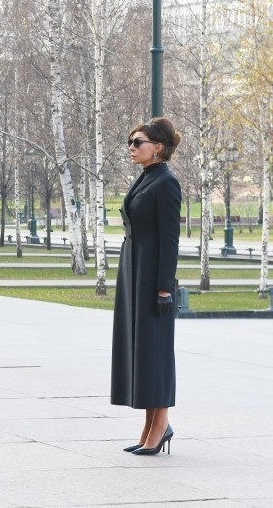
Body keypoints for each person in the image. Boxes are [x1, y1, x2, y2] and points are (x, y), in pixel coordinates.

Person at [112, 117, 182, 456]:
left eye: (137, 141)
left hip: (153, 278)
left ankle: (160, 426)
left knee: (154, 352)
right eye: (130, 141)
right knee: (142, 351)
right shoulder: (147, 178)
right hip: (134, 272)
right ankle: (152, 425)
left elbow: (170, 239)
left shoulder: (166, 182)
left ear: (158, 147)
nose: (131, 147)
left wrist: (164, 288)